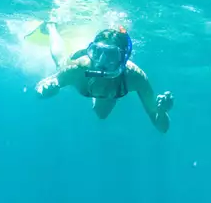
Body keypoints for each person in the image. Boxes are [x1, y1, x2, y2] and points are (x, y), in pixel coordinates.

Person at [34, 24, 174, 132]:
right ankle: (51, 27)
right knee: (61, 63)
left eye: (111, 55)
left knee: (102, 114)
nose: (100, 63)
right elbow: (42, 88)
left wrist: (162, 113)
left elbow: (162, 127)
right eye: (97, 52)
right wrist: (49, 87)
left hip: (111, 91)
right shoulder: (79, 68)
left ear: (122, 59)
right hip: (103, 86)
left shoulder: (135, 77)